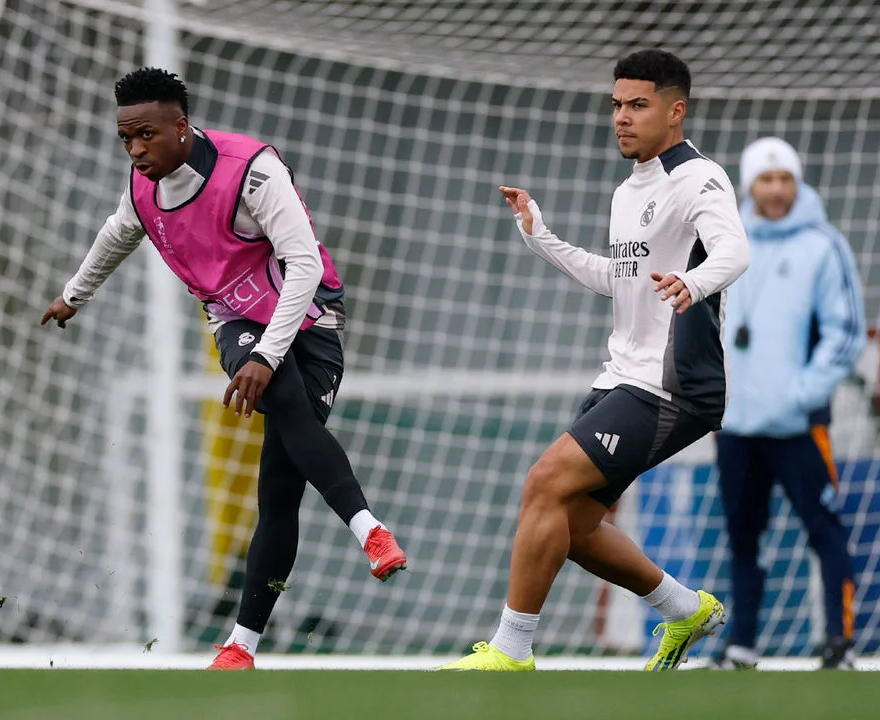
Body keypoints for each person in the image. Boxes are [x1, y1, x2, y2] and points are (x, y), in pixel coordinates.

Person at [41, 67, 407, 670]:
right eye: (125, 139)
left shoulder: (253, 170)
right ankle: (369, 529)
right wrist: (74, 294)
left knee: (278, 490)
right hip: (236, 318)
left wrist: (271, 354)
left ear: (181, 125)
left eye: (147, 136)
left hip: (311, 317)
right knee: (283, 406)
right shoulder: (142, 187)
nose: (136, 151)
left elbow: (304, 266)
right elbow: (117, 234)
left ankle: (242, 645)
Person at [438, 49, 750, 671]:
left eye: (638, 105)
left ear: (675, 110)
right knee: (575, 523)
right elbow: (618, 278)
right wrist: (541, 238)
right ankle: (686, 609)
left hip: (671, 385)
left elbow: (734, 251)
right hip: (621, 377)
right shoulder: (627, 191)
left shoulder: (700, 179)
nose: (622, 118)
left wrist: (696, 284)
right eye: (617, 105)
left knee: (543, 483)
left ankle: (511, 650)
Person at [713, 137, 865, 670]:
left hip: (800, 424)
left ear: (797, 183)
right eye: (766, 179)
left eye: (785, 179)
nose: (776, 190)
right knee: (742, 539)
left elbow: (846, 334)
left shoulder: (824, 245)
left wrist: (801, 394)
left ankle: (840, 645)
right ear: (750, 185)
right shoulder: (724, 241)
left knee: (824, 531)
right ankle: (741, 645)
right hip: (735, 423)